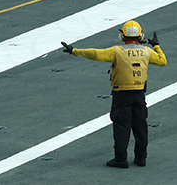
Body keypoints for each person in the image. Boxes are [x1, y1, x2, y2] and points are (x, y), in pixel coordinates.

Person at [62, 20, 167, 168]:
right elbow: (163, 61)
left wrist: (75, 51)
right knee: (140, 127)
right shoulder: (147, 51)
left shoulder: (117, 51)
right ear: (140, 36)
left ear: (123, 36)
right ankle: (141, 157)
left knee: (121, 126)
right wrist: (156, 45)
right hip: (139, 94)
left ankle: (120, 159)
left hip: (121, 95)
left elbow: (95, 54)